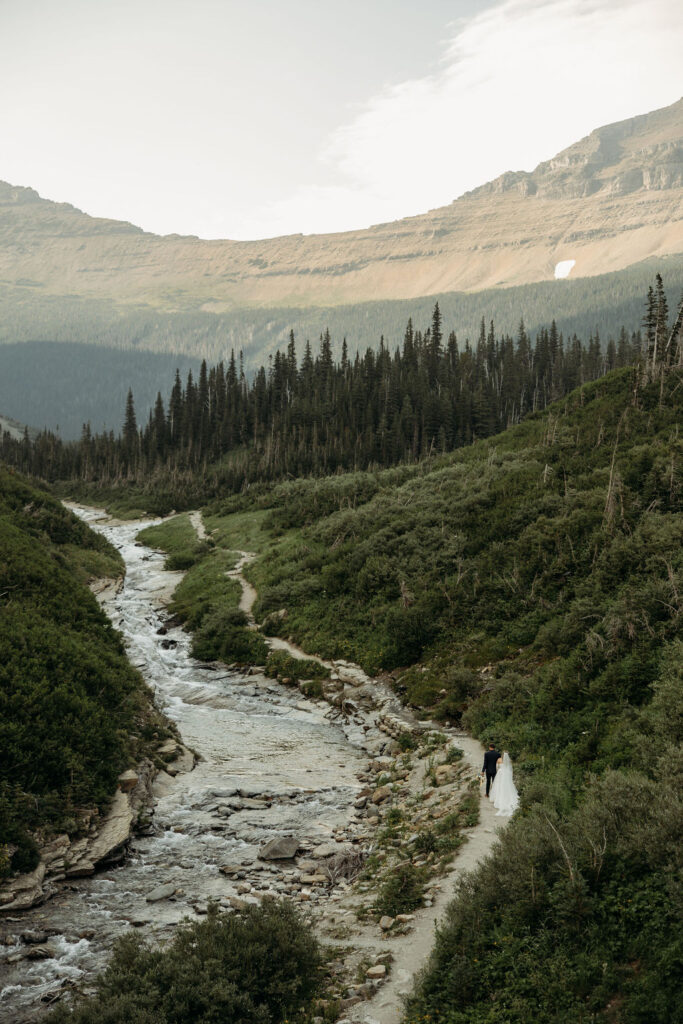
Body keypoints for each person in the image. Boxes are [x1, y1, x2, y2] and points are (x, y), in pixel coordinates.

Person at [489, 751, 519, 816]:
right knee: (507, 786)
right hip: (507, 774)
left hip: (500, 773)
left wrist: (498, 772)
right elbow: (511, 769)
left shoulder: (499, 760)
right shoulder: (509, 760)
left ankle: (497, 798)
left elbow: (497, 767)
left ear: (502, 754)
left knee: (498, 785)